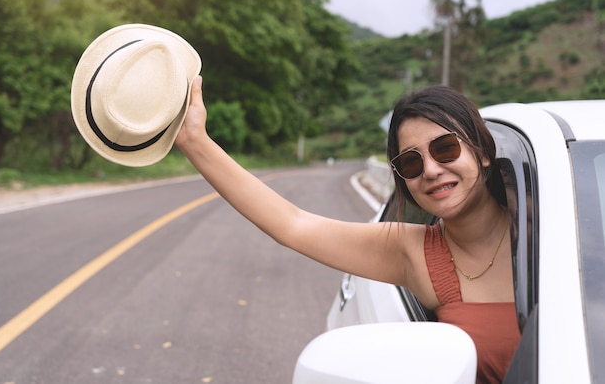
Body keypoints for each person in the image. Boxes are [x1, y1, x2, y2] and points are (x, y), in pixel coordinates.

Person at [174, 76, 520, 383]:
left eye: (445, 148)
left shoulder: (551, 234)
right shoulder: (413, 252)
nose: (430, 170)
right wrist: (194, 140)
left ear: (482, 153)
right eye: (411, 162)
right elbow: (293, 225)